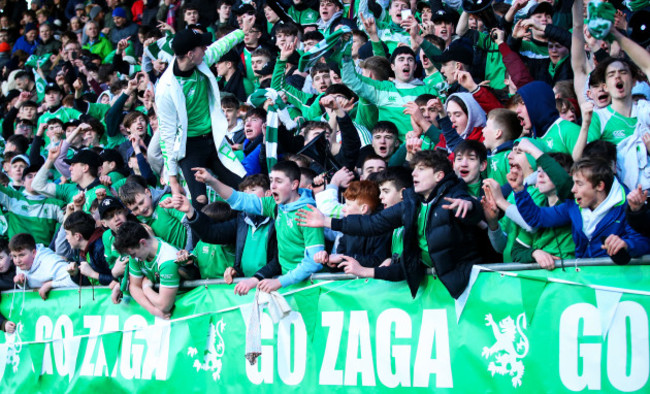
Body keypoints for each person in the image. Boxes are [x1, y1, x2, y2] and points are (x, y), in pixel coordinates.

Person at [297, 150, 483, 299]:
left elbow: (472, 207)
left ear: (439, 176)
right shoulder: (411, 203)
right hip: (440, 285)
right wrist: (326, 221)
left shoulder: (454, 193)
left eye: (421, 169)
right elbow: (371, 225)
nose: (414, 173)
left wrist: (470, 206)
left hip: (468, 283)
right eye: (414, 169)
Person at [156, 15, 256, 208]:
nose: (205, 49)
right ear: (190, 54)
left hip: (213, 138)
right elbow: (166, 134)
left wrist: (242, 31)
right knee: (200, 201)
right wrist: (173, 180)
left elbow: (221, 46)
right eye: (201, 46)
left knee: (243, 185)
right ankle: (204, 238)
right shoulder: (165, 89)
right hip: (190, 146)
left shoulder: (200, 61)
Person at [192, 160, 325, 295]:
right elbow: (239, 199)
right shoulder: (275, 205)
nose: (272, 186)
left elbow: (314, 262)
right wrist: (211, 180)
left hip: (309, 288)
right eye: (271, 180)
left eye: (278, 181)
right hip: (288, 288)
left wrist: (280, 281)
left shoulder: (309, 213)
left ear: (294, 184)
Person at [514, 157, 650, 261]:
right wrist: (519, 190)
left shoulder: (627, 206)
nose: (573, 190)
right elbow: (537, 217)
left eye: (579, 184)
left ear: (600, 186)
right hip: (583, 282)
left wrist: (625, 244)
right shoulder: (573, 206)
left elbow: (643, 242)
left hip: (616, 282)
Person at [113, 221, 179, 319]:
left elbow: (164, 305)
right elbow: (134, 287)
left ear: (143, 243)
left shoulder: (168, 259)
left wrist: (146, 288)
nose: (131, 257)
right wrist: (152, 310)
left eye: (132, 254)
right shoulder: (136, 253)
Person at [10, 233, 76, 300]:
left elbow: (76, 282)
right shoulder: (22, 264)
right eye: (14, 256)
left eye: (21, 255)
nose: (17, 260)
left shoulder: (50, 262)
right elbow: (29, 288)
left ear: (33, 253)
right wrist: (21, 284)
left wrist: (50, 285)